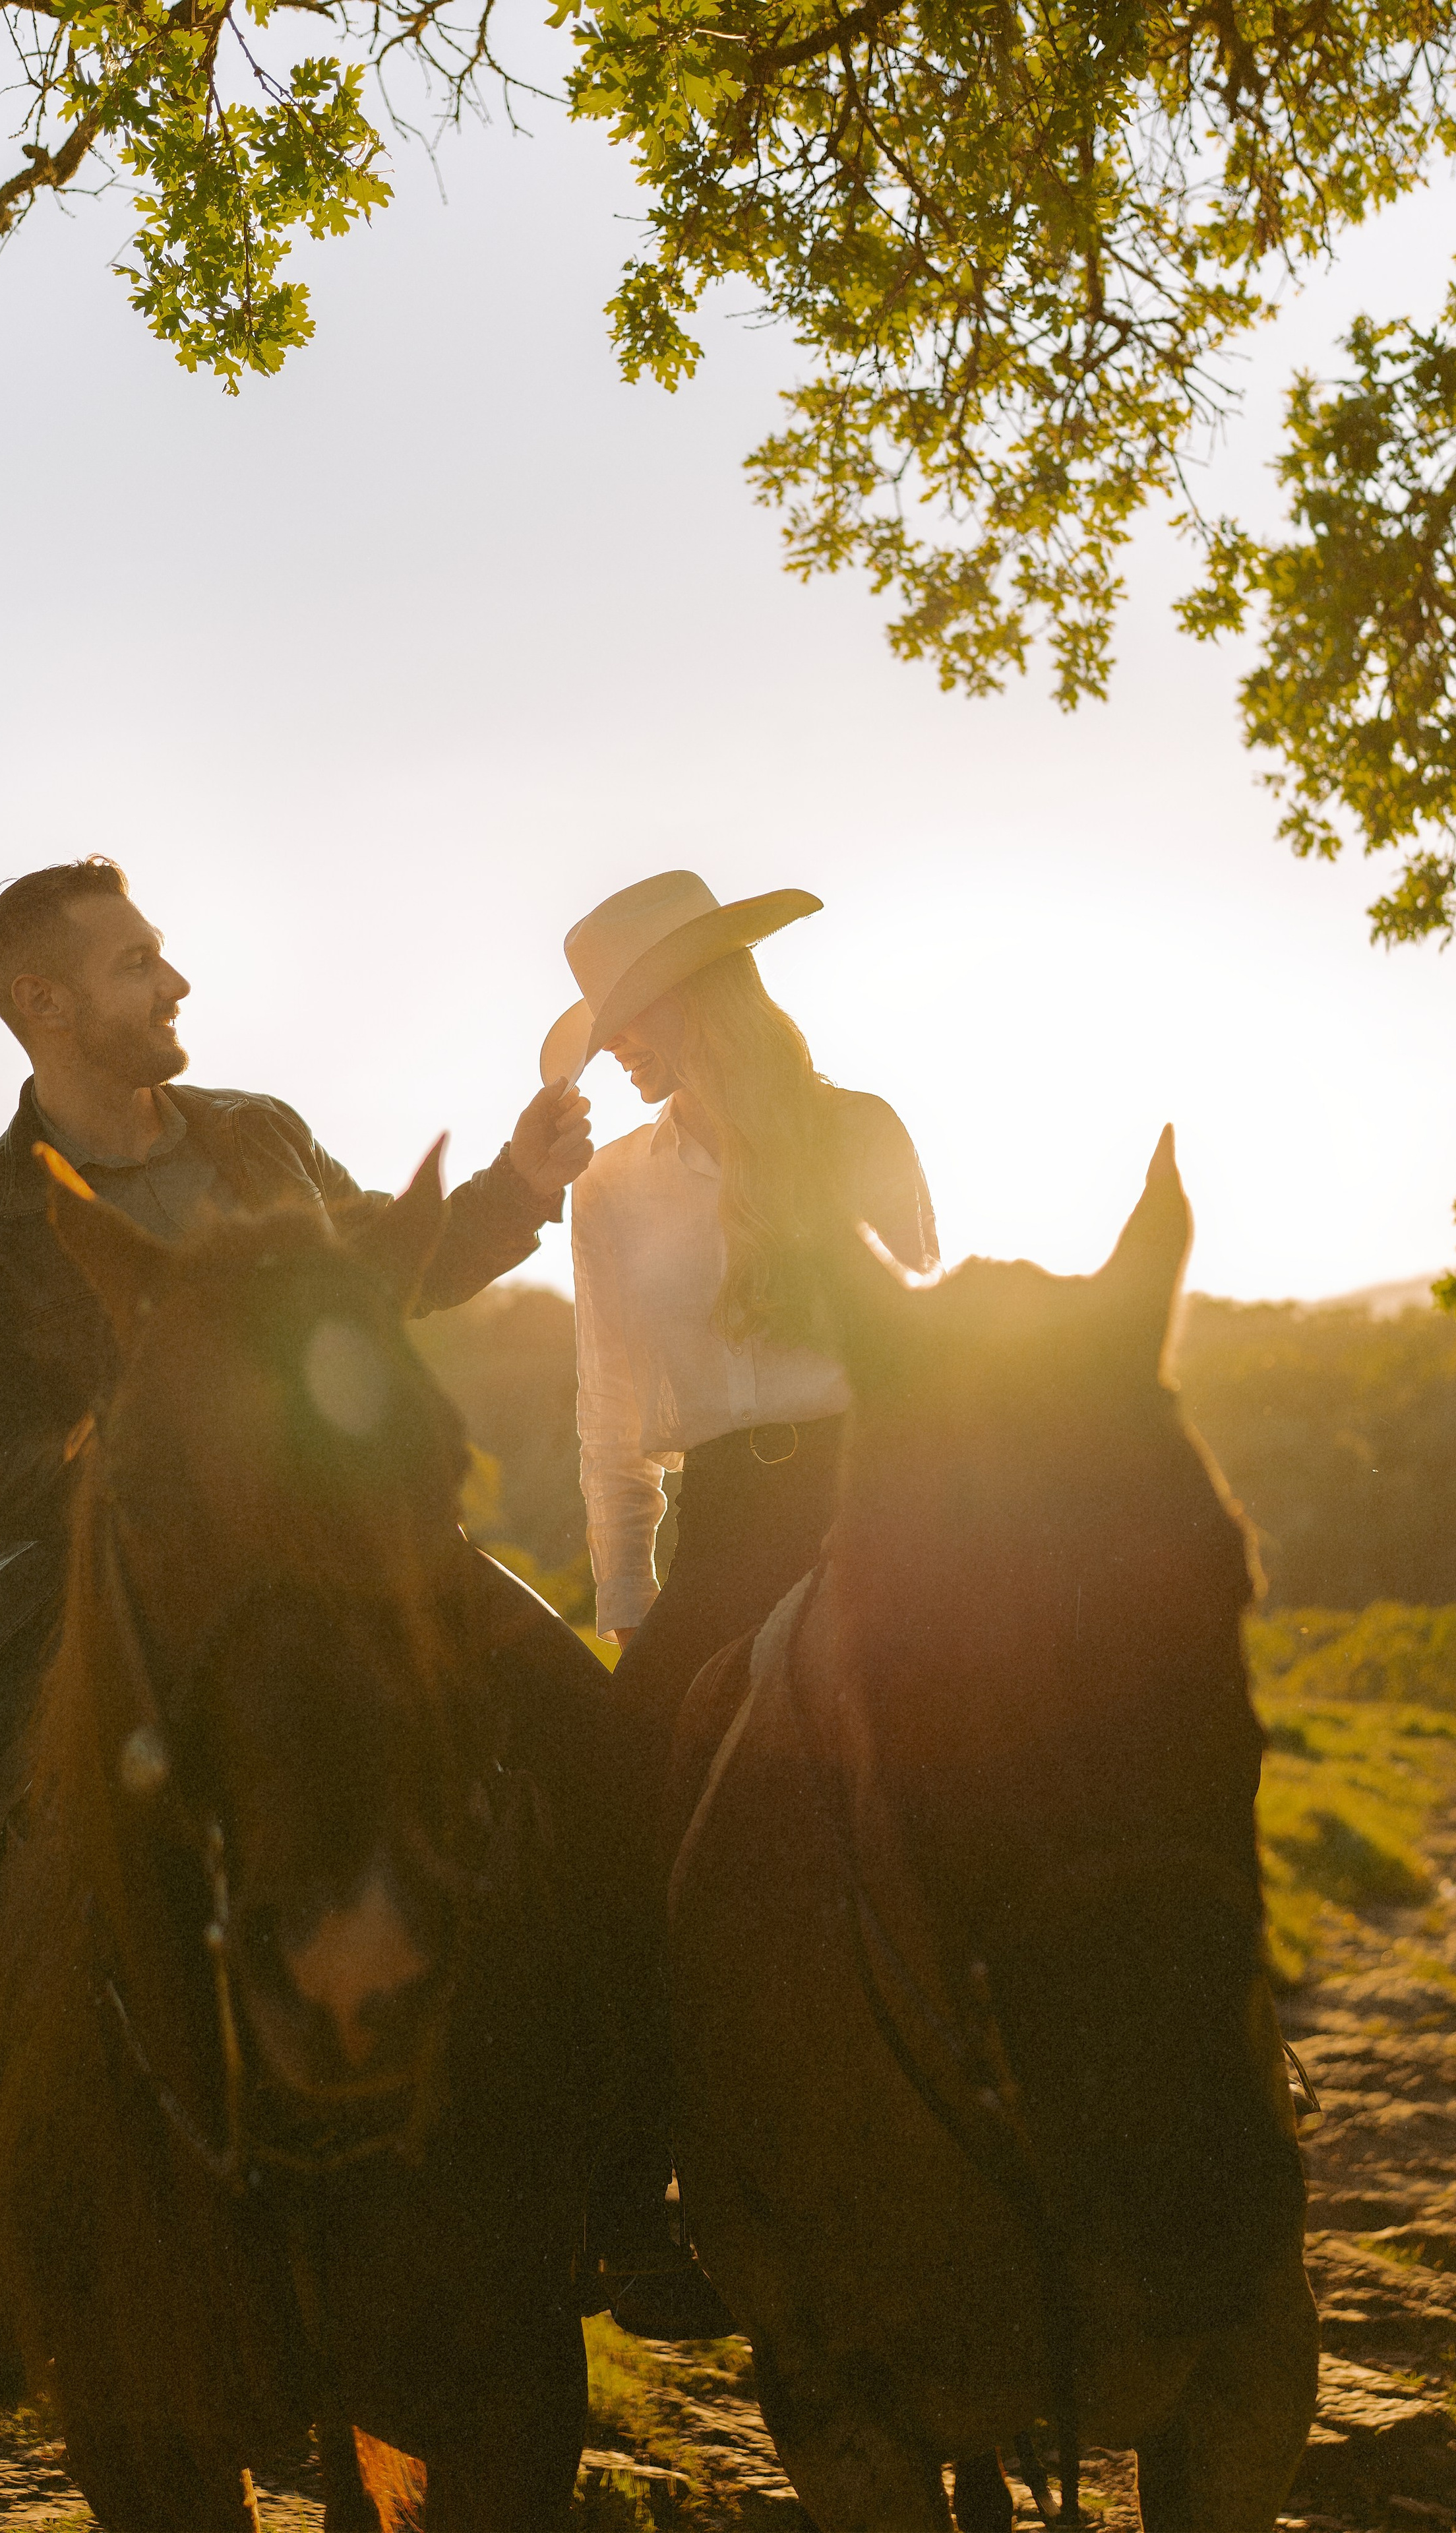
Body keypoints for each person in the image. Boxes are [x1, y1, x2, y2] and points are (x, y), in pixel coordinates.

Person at [0, 854, 600, 2461]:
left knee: (598, 1742)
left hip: (339, 1538)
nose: (174, 985)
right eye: (135, 965)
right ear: (43, 1004)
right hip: (106, 1573)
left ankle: (642, 2179)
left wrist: (523, 1188)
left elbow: (378, 1273)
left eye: (164, 957)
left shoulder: (255, 1139)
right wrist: (140, 1467)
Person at [548, 868, 936, 2329]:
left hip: (877, 1501)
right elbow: (606, 1416)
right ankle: (625, 2206)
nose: (620, 1052)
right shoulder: (610, 1190)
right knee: (603, 1813)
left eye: (631, 1021)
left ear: (700, 996)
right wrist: (629, 1603)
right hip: (722, 1526)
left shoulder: (860, 1132)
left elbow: (928, 1339)